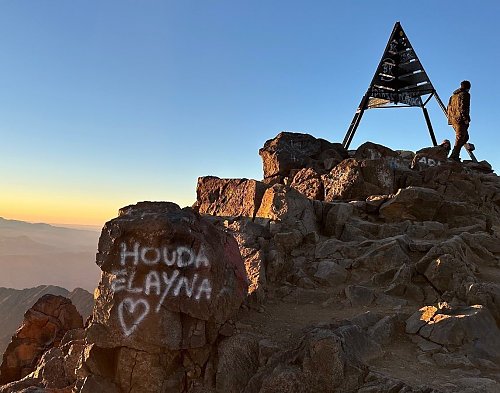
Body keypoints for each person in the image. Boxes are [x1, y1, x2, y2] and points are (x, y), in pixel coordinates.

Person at [447, 80, 471, 161]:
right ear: (468, 87)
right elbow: (463, 107)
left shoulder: (452, 96)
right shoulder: (465, 94)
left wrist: (450, 120)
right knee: (460, 138)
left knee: (465, 137)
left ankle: (455, 154)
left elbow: (449, 108)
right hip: (460, 120)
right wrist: (465, 119)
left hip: (454, 120)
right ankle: (453, 156)